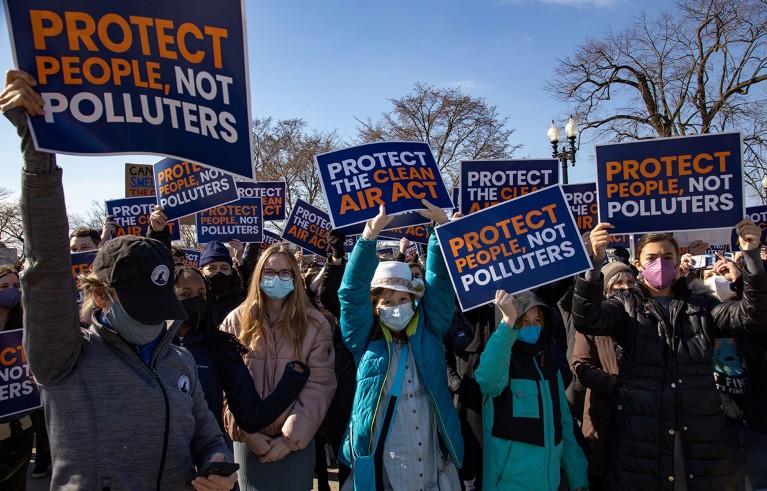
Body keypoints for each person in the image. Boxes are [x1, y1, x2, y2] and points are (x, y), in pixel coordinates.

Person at [3, 69, 236, 490]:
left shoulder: (177, 357)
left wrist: (217, 463)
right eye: (139, 305)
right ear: (99, 295)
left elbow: (205, 432)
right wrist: (37, 153)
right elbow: (47, 267)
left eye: (159, 304)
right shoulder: (66, 358)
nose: (153, 321)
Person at [572, 221, 767, 490]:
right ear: (638, 265)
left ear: (677, 262)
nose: (660, 263)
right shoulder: (624, 306)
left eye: (667, 257)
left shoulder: (702, 306)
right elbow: (587, 319)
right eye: (651, 258)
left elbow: (752, 317)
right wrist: (594, 264)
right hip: (641, 437)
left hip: (700, 436)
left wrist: (752, 257)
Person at [338, 202, 463, 491]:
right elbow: (351, 293)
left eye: (403, 300)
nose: (396, 308)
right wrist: (369, 238)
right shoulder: (364, 339)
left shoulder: (429, 331)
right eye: (387, 302)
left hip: (431, 455)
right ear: (375, 307)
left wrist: (439, 232)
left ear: (414, 301)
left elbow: (439, 282)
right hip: (387, 459)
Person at [219, 243, 336, 490]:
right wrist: (245, 432)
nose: (276, 279)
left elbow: (319, 385)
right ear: (258, 276)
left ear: (295, 277)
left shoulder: (315, 324)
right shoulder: (234, 322)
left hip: (296, 443)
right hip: (248, 442)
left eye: (285, 273)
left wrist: (289, 440)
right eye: (269, 273)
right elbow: (224, 385)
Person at [172, 266, 310, 444]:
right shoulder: (148, 346)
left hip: (208, 459)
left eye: (202, 295)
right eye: (185, 294)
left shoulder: (220, 348)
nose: (196, 302)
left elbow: (250, 417)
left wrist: (291, 382)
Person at [475, 290, 588, 491]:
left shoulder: (549, 368)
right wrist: (508, 321)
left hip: (548, 483)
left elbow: (564, 426)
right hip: (507, 484)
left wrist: (578, 478)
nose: (532, 326)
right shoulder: (503, 363)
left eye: (537, 320)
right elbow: (487, 379)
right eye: (524, 321)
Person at [570, 261, 635, 489]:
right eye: (618, 283)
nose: (625, 288)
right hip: (603, 415)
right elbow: (581, 365)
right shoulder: (593, 323)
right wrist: (617, 387)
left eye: (629, 282)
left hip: (641, 418)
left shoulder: (643, 318)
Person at [0, 265, 34, 490]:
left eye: (15, 286)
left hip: (24, 423)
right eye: (4, 286)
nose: (11, 291)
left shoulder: (26, 326)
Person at [199, 241, 246, 325]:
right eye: (212, 268)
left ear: (231, 272)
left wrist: (239, 258)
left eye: (224, 268)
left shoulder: (243, 304)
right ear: (202, 272)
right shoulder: (197, 303)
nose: (218, 272)